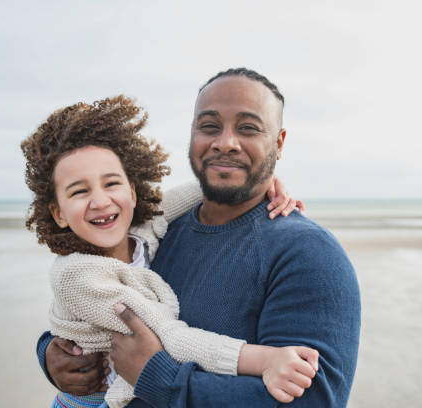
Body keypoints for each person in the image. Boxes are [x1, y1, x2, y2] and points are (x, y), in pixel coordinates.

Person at [38, 68, 361, 407]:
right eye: (209, 127)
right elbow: (92, 313)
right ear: (192, 135)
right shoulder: (159, 232)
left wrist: (159, 378)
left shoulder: (307, 253)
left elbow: (315, 402)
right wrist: (53, 353)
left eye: (248, 128)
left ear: (278, 143)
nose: (225, 142)